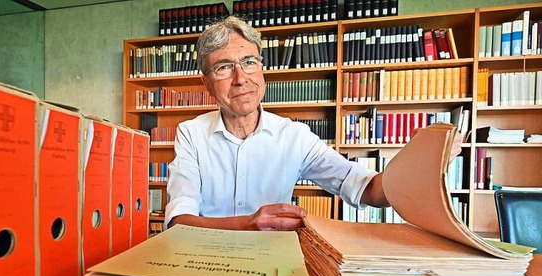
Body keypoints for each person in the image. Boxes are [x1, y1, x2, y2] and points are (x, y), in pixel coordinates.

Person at [164, 16, 462, 232]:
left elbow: (367, 190)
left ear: (262, 70)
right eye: (224, 67)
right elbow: (179, 221)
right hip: (203, 260)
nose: (241, 78)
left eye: (249, 62)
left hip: (272, 264)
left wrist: (421, 164)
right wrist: (248, 224)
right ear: (206, 83)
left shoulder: (294, 136)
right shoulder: (191, 134)